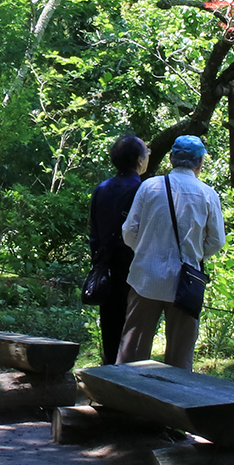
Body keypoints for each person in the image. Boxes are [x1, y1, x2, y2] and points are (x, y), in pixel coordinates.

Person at [118, 134, 225, 369]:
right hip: (185, 282)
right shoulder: (207, 194)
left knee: (132, 350)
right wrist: (194, 255)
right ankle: (176, 401)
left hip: (145, 277)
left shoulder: (149, 186)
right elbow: (216, 241)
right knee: (180, 354)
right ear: (200, 163)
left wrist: (146, 250)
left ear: (171, 159)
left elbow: (129, 231)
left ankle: (124, 397)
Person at [87, 134, 148, 367]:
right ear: (140, 161)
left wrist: (98, 259)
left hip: (104, 265)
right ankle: (127, 379)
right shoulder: (142, 190)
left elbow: (94, 231)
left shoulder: (101, 189)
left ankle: (108, 373)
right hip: (133, 267)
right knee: (132, 326)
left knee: (109, 324)